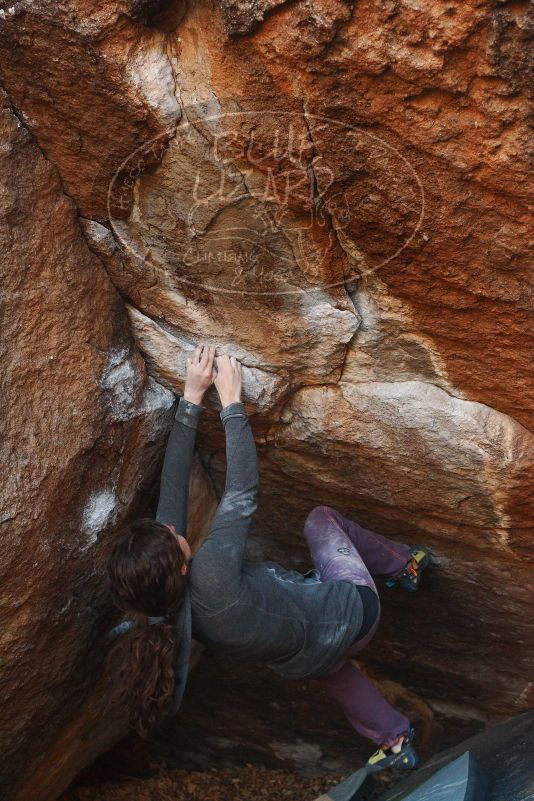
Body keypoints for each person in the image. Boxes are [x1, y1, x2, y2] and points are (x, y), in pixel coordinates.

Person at [107, 344, 430, 770]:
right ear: (182, 564)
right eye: (170, 536)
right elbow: (242, 490)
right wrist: (232, 403)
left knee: (334, 666)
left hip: (303, 657)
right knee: (320, 521)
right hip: (356, 613)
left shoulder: (169, 612)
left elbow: (172, 493)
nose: (170, 527)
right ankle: (404, 565)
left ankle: (394, 739)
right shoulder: (212, 577)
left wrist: (189, 399)